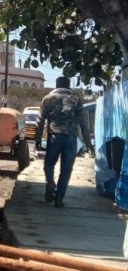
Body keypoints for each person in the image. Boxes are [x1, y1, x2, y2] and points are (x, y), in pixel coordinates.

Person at [35, 76, 93, 208]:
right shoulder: (76, 99)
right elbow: (84, 123)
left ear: (56, 85)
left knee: (49, 164)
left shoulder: (48, 98)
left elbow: (40, 120)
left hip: (54, 136)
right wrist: (88, 143)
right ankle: (59, 198)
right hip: (71, 138)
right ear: (68, 86)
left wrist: (37, 139)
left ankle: (50, 181)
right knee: (66, 169)